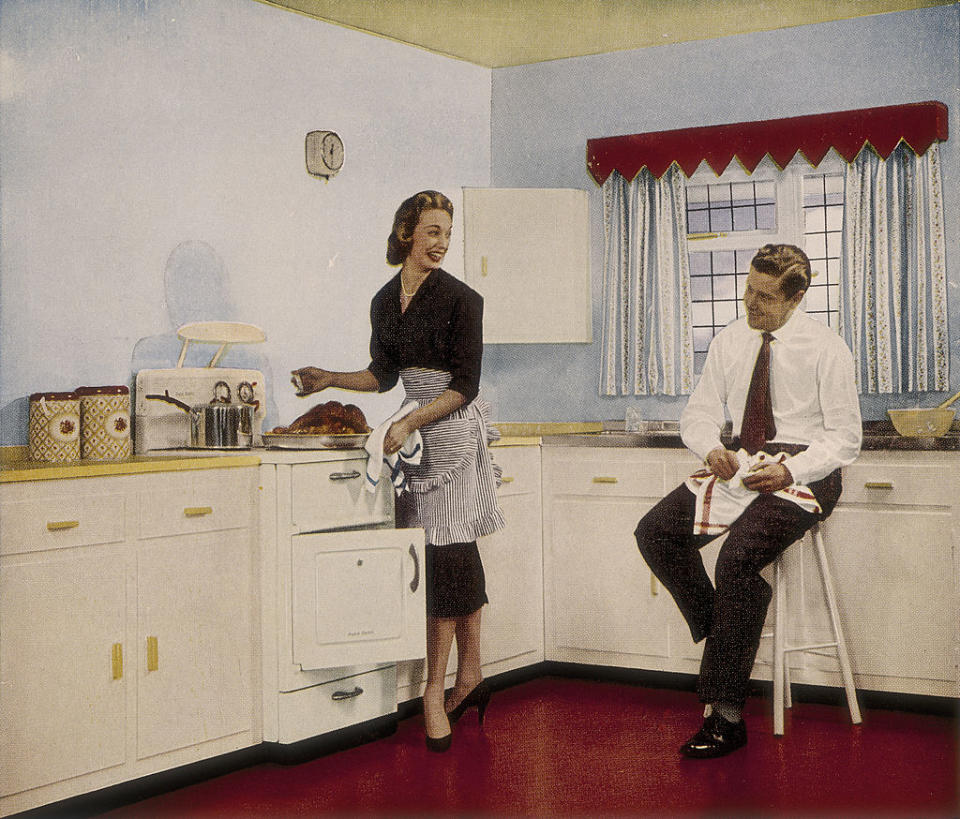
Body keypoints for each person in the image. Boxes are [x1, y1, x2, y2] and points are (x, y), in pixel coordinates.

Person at [292, 190, 505, 753]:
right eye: (431, 231)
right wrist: (329, 378)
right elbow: (383, 376)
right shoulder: (385, 301)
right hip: (415, 425)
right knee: (444, 552)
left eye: (447, 234)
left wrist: (411, 424)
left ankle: (437, 689)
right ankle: (472, 674)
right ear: (407, 231)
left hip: (453, 425)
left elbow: (465, 386)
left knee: (446, 551)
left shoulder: (463, 300)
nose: (440, 243)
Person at [634, 244, 862, 758]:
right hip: (745, 461)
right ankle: (722, 629)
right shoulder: (729, 341)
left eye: (763, 296)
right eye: (747, 289)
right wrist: (711, 448)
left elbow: (845, 439)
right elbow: (697, 414)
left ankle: (726, 718)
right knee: (655, 532)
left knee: (736, 560)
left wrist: (790, 469)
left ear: (797, 296)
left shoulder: (827, 347)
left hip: (809, 471)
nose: (749, 303)